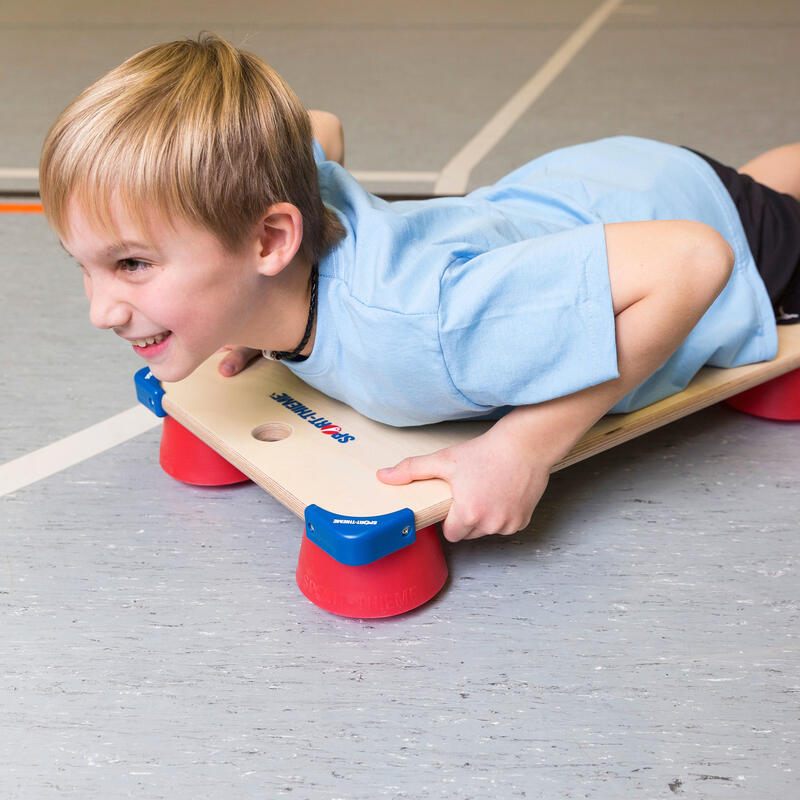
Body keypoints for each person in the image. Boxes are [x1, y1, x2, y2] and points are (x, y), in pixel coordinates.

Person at [39, 33, 800, 543]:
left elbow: (694, 262)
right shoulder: (279, 235)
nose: (100, 309)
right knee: (756, 187)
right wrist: (240, 305)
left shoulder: (424, 334)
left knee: (761, 209)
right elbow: (319, 129)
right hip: (602, 185)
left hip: (701, 225)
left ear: (271, 240)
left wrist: (523, 449)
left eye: (132, 264)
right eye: (87, 263)